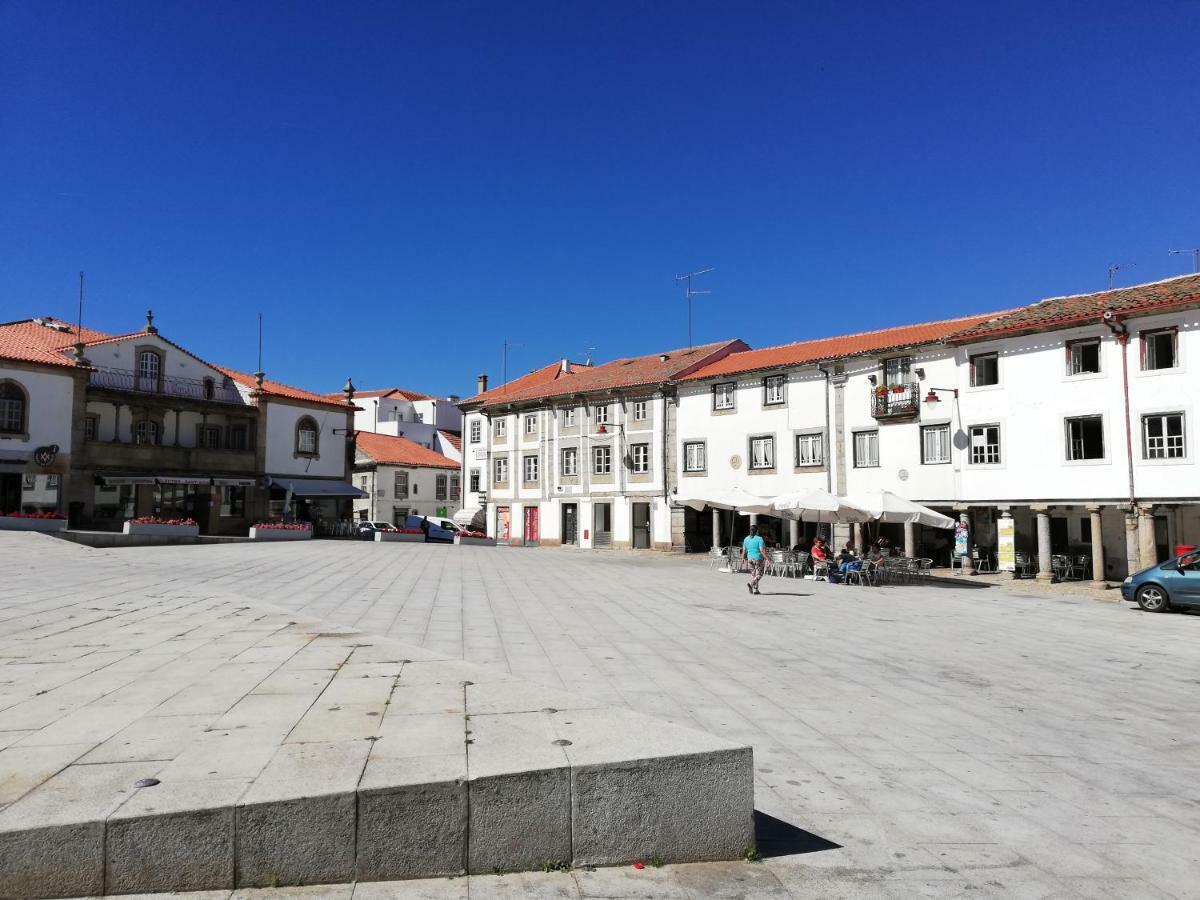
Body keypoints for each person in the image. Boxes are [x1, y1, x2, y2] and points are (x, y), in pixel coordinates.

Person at [742, 524, 767, 595]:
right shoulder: (759, 539)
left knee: (753, 574)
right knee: (759, 574)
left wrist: (743, 558)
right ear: (757, 531)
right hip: (758, 559)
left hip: (749, 559)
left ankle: (756, 590)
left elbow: (744, 550)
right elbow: (762, 550)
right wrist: (767, 558)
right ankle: (752, 584)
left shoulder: (746, 539)